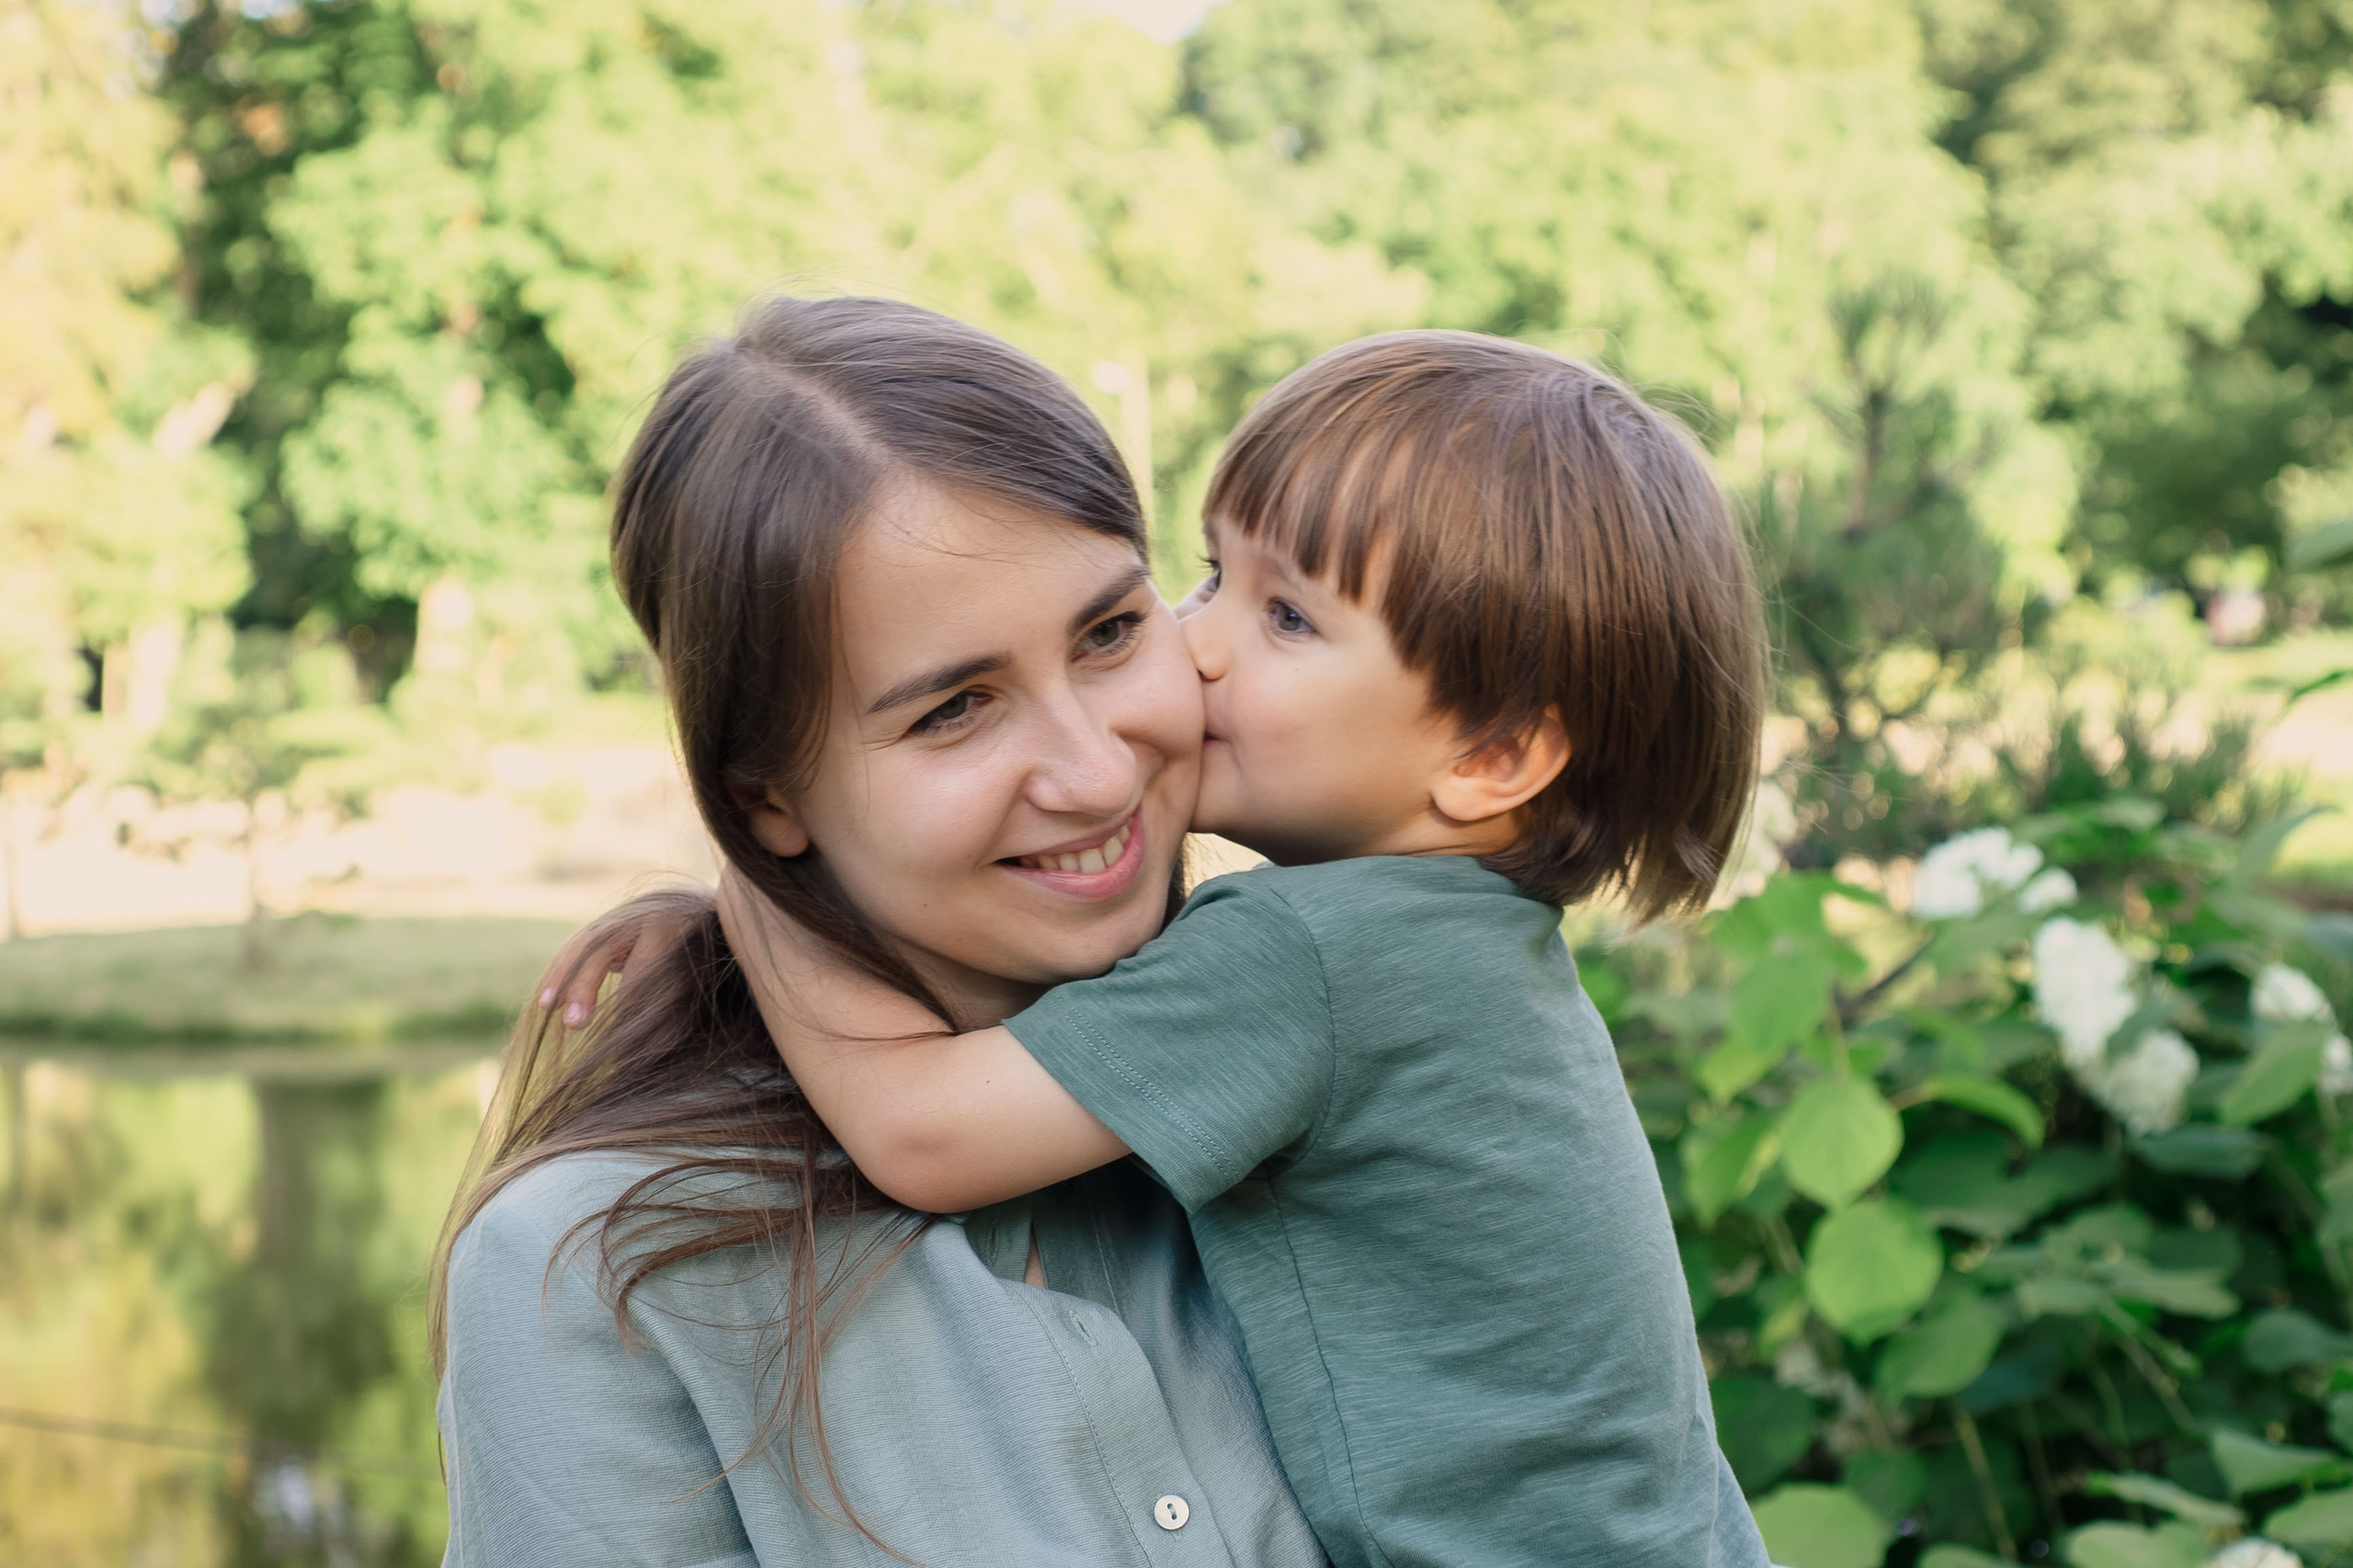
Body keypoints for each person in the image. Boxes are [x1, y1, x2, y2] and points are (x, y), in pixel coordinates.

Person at [711, 331, 1774, 1567]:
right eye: (1211, 576)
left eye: (1285, 617)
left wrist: (759, 883)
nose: (1195, 639)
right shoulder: (1470, 943)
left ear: (1490, 757)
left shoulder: (1322, 954)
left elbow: (923, 1133)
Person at [430, 295, 1330, 1567]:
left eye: (1112, 631)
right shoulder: (602, 1270)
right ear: (764, 799)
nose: (1092, 770)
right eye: (956, 708)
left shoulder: (1346, 1077)